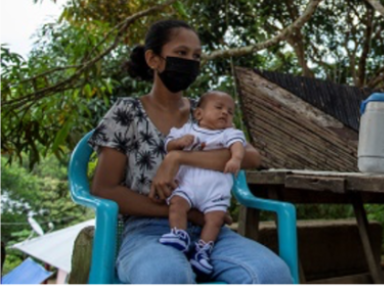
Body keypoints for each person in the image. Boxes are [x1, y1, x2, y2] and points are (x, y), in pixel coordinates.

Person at [89, 19, 291, 285]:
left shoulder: (205, 111)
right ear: (154, 59)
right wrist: (185, 212)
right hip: (149, 231)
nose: (190, 62)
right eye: (182, 53)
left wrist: (179, 157)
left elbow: (251, 157)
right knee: (167, 277)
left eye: (196, 56)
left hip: (210, 232)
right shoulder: (126, 113)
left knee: (271, 275)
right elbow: (104, 189)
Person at [156, 90, 248, 275]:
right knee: (176, 205)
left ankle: (203, 250)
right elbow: (168, 145)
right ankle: (179, 234)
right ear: (199, 114)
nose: (225, 113)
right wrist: (180, 142)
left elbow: (238, 146)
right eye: (219, 108)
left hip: (215, 191)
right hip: (187, 185)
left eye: (230, 112)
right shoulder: (187, 130)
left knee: (215, 220)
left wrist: (236, 159)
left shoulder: (228, 133)